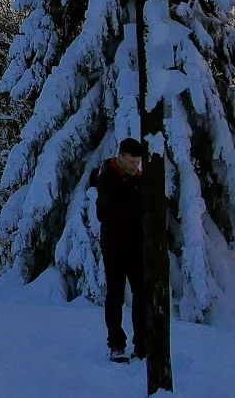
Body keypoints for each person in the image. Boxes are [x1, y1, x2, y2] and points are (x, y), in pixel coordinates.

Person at [95, 137, 147, 363]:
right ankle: (116, 344)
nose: (136, 165)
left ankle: (142, 344)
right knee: (115, 295)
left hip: (136, 245)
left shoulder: (139, 180)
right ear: (121, 157)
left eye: (138, 161)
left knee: (142, 295)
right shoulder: (107, 178)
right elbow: (111, 211)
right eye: (132, 161)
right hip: (115, 245)